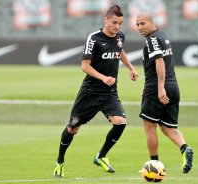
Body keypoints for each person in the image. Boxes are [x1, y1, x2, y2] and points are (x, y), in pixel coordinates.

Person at [54, 4, 138, 177]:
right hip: (90, 92)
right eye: (114, 22)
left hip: (109, 93)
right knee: (72, 128)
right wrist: (103, 78)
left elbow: (119, 50)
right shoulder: (94, 38)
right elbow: (85, 66)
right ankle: (60, 162)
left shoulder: (120, 36)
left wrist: (130, 68)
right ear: (105, 20)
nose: (117, 26)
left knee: (121, 122)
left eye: (121, 23)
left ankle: (101, 156)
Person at [136, 12, 193, 174]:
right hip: (173, 86)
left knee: (149, 125)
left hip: (158, 88)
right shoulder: (163, 36)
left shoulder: (152, 39)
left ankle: (154, 165)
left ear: (151, 23)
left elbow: (159, 62)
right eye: (137, 25)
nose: (140, 27)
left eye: (143, 23)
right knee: (167, 127)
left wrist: (159, 88)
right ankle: (185, 148)